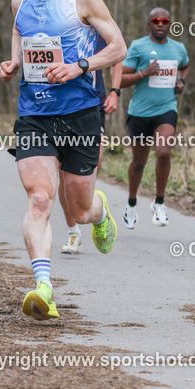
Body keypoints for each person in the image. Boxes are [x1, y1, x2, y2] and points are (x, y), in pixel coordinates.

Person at [0, 0, 126, 320]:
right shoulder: (20, 1)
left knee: (79, 210)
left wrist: (80, 66)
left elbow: (118, 46)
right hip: (35, 113)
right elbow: (20, 38)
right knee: (39, 197)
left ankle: (100, 212)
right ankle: (43, 287)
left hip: (81, 115)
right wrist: (13, 63)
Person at [118, 8, 190, 227]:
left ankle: (159, 202)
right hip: (139, 113)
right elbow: (119, 79)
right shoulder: (138, 47)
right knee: (139, 162)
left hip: (166, 109)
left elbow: (185, 67)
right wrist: (143, 73)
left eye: (165, 20)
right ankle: (131, 204)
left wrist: (181, 82)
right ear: (148, 24)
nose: (160, 24)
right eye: (156, 20)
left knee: (164, 152)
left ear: (170, 24)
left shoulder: (178, 48)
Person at [58, 54, 125, 254]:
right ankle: (73, 232)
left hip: (93, 104)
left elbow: (117, 57)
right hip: (56, 107)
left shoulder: (95, 25)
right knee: (64, 171)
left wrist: (115, 91)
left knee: (93, 164)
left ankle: (96, 208)